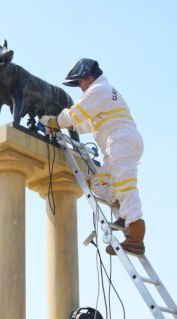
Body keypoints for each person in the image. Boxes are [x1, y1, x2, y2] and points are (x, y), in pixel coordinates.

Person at [40, 58, 145, 255]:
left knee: (125, 186)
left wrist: (55, 120)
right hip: (122, 142)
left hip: (121, 142)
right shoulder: (104, 92)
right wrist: (64, 124)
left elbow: (76, 114)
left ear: (89, 77)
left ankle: (136, 237)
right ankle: (125, 214)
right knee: (99, 185)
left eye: (80, 81)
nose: (80, 87)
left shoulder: (98, 90)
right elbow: (86, 123)